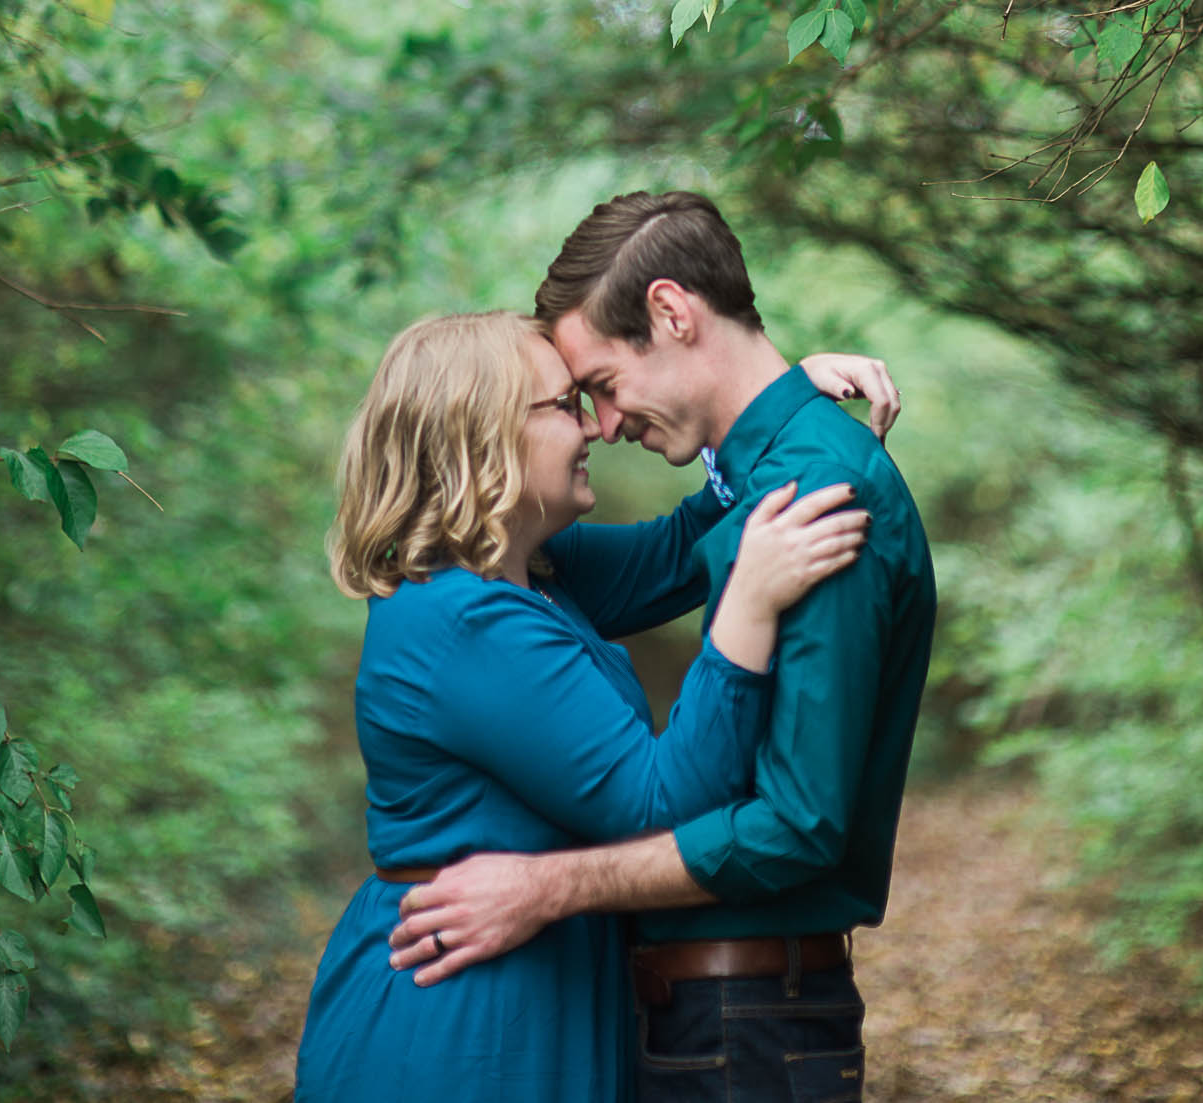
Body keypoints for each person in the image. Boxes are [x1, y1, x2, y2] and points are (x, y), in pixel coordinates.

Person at [388, 193, 937, 1102]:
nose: (601, 423)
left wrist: (546, 889)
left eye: (599, 383)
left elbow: (798, 823)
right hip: (713, 1018)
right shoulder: (769, 477)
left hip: (748, 1022)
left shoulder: (816, 493)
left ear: (673, 313)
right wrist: (786, 393)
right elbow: (658, 548)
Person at [293, 306, 881, 1103]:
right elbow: (658, 800)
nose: (596, 428)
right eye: (567, 405)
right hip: (466, 1021)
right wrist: (748, 606)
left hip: (535, 988)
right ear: (485, 436)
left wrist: (769, 402)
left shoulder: (532, 572)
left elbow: (677, 552)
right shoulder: (463, 619)